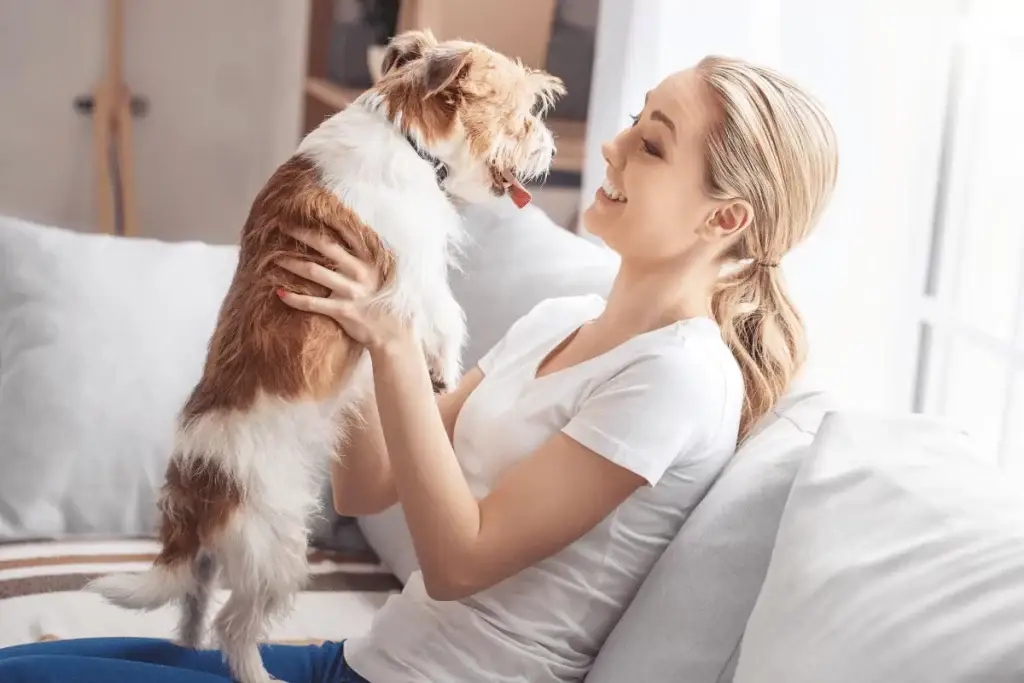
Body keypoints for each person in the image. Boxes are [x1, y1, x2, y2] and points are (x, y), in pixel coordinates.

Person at [0, 55, 837, 683]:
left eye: (652, 144)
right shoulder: (561, 322)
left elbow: (459, 559)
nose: (612, 146)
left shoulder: (679, 378)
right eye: (634, 119)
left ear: (724, 217)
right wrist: (348, 323)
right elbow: (367, 489)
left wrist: (397, 338)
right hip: (360, 661)